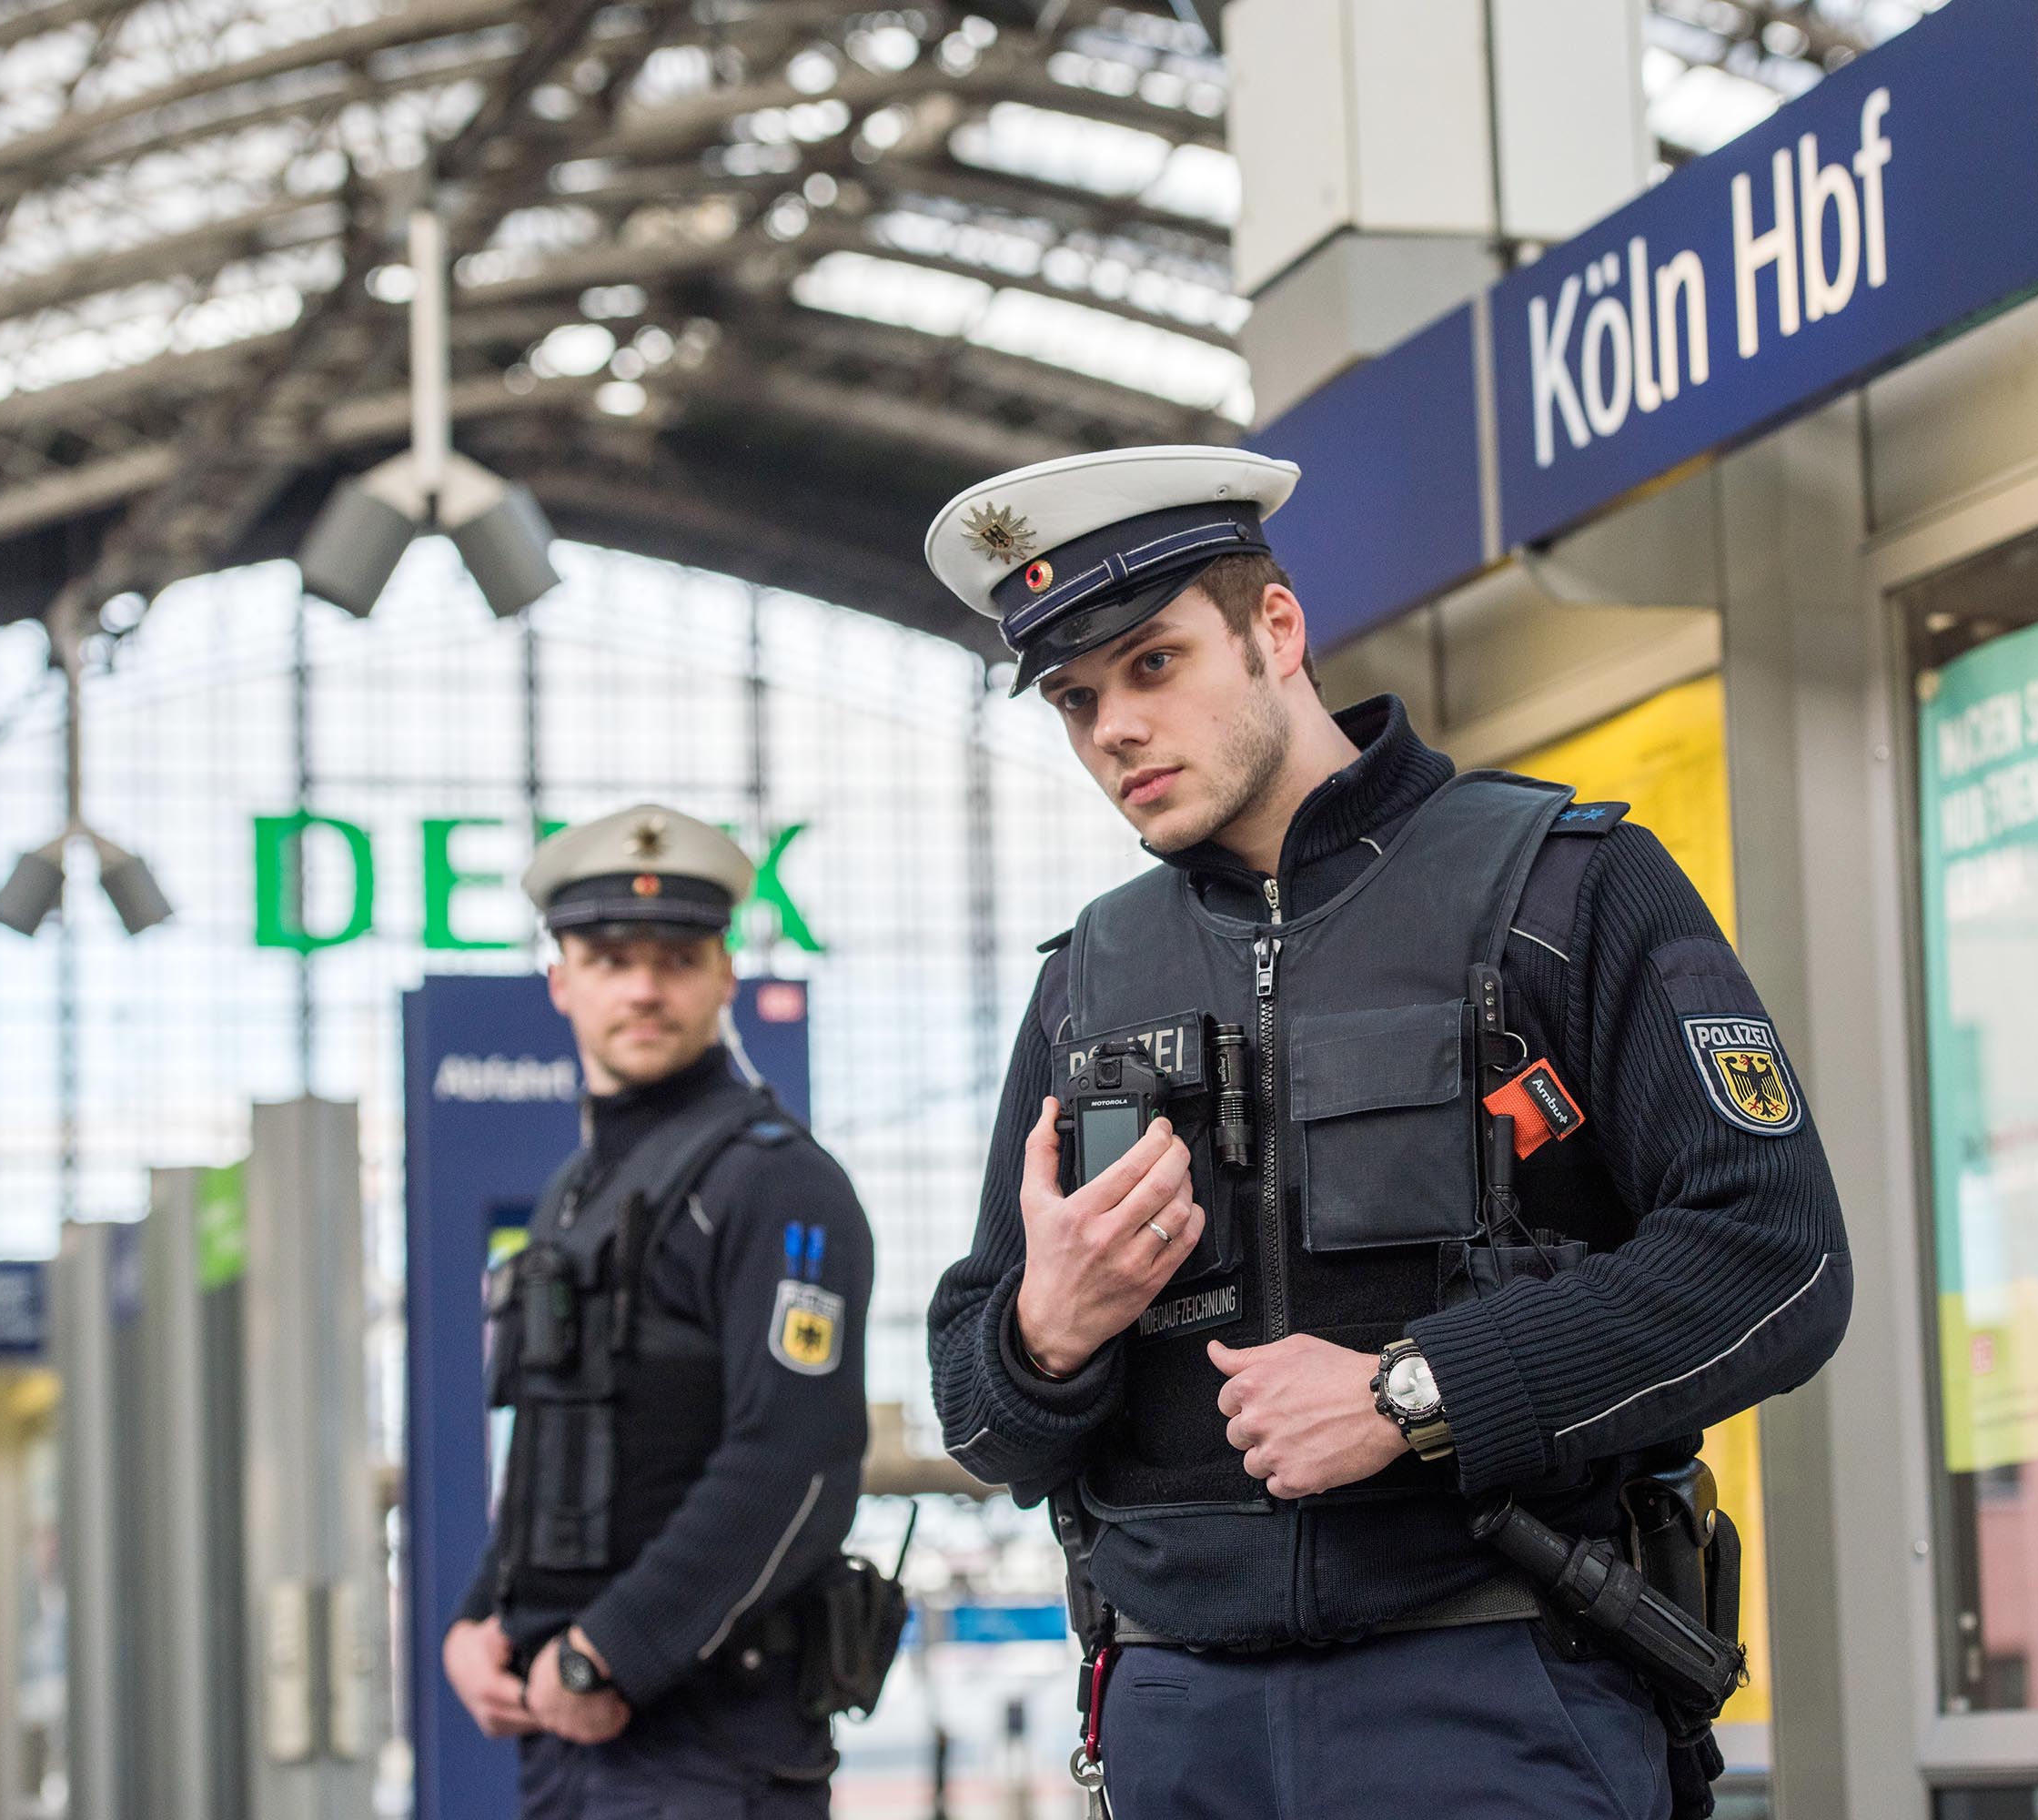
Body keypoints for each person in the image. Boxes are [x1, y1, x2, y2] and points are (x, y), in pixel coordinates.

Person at [922, 448, 1853, 1819]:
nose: (1113, 726)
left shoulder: (1564, 890)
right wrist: (1044, 1332)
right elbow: (973, 1403)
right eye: (1075, 698)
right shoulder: (1088, 982)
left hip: (1495, 1687)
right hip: (1181, 1722)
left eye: (1154, 664)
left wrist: (1414, 1395)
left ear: (1276, 633)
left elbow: (1773, 1256)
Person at [444, 804, 874, 1819]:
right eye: (608, 957)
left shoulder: (779, 1185)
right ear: (560, 979)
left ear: (725, 974)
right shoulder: (572, 1196)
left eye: (677, 957)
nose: (643, 987)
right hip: (566, 1737)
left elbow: (797, 1459)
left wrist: (610, 1655)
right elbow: (551, 1444)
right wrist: (478, 1618)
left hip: (707, 1745)